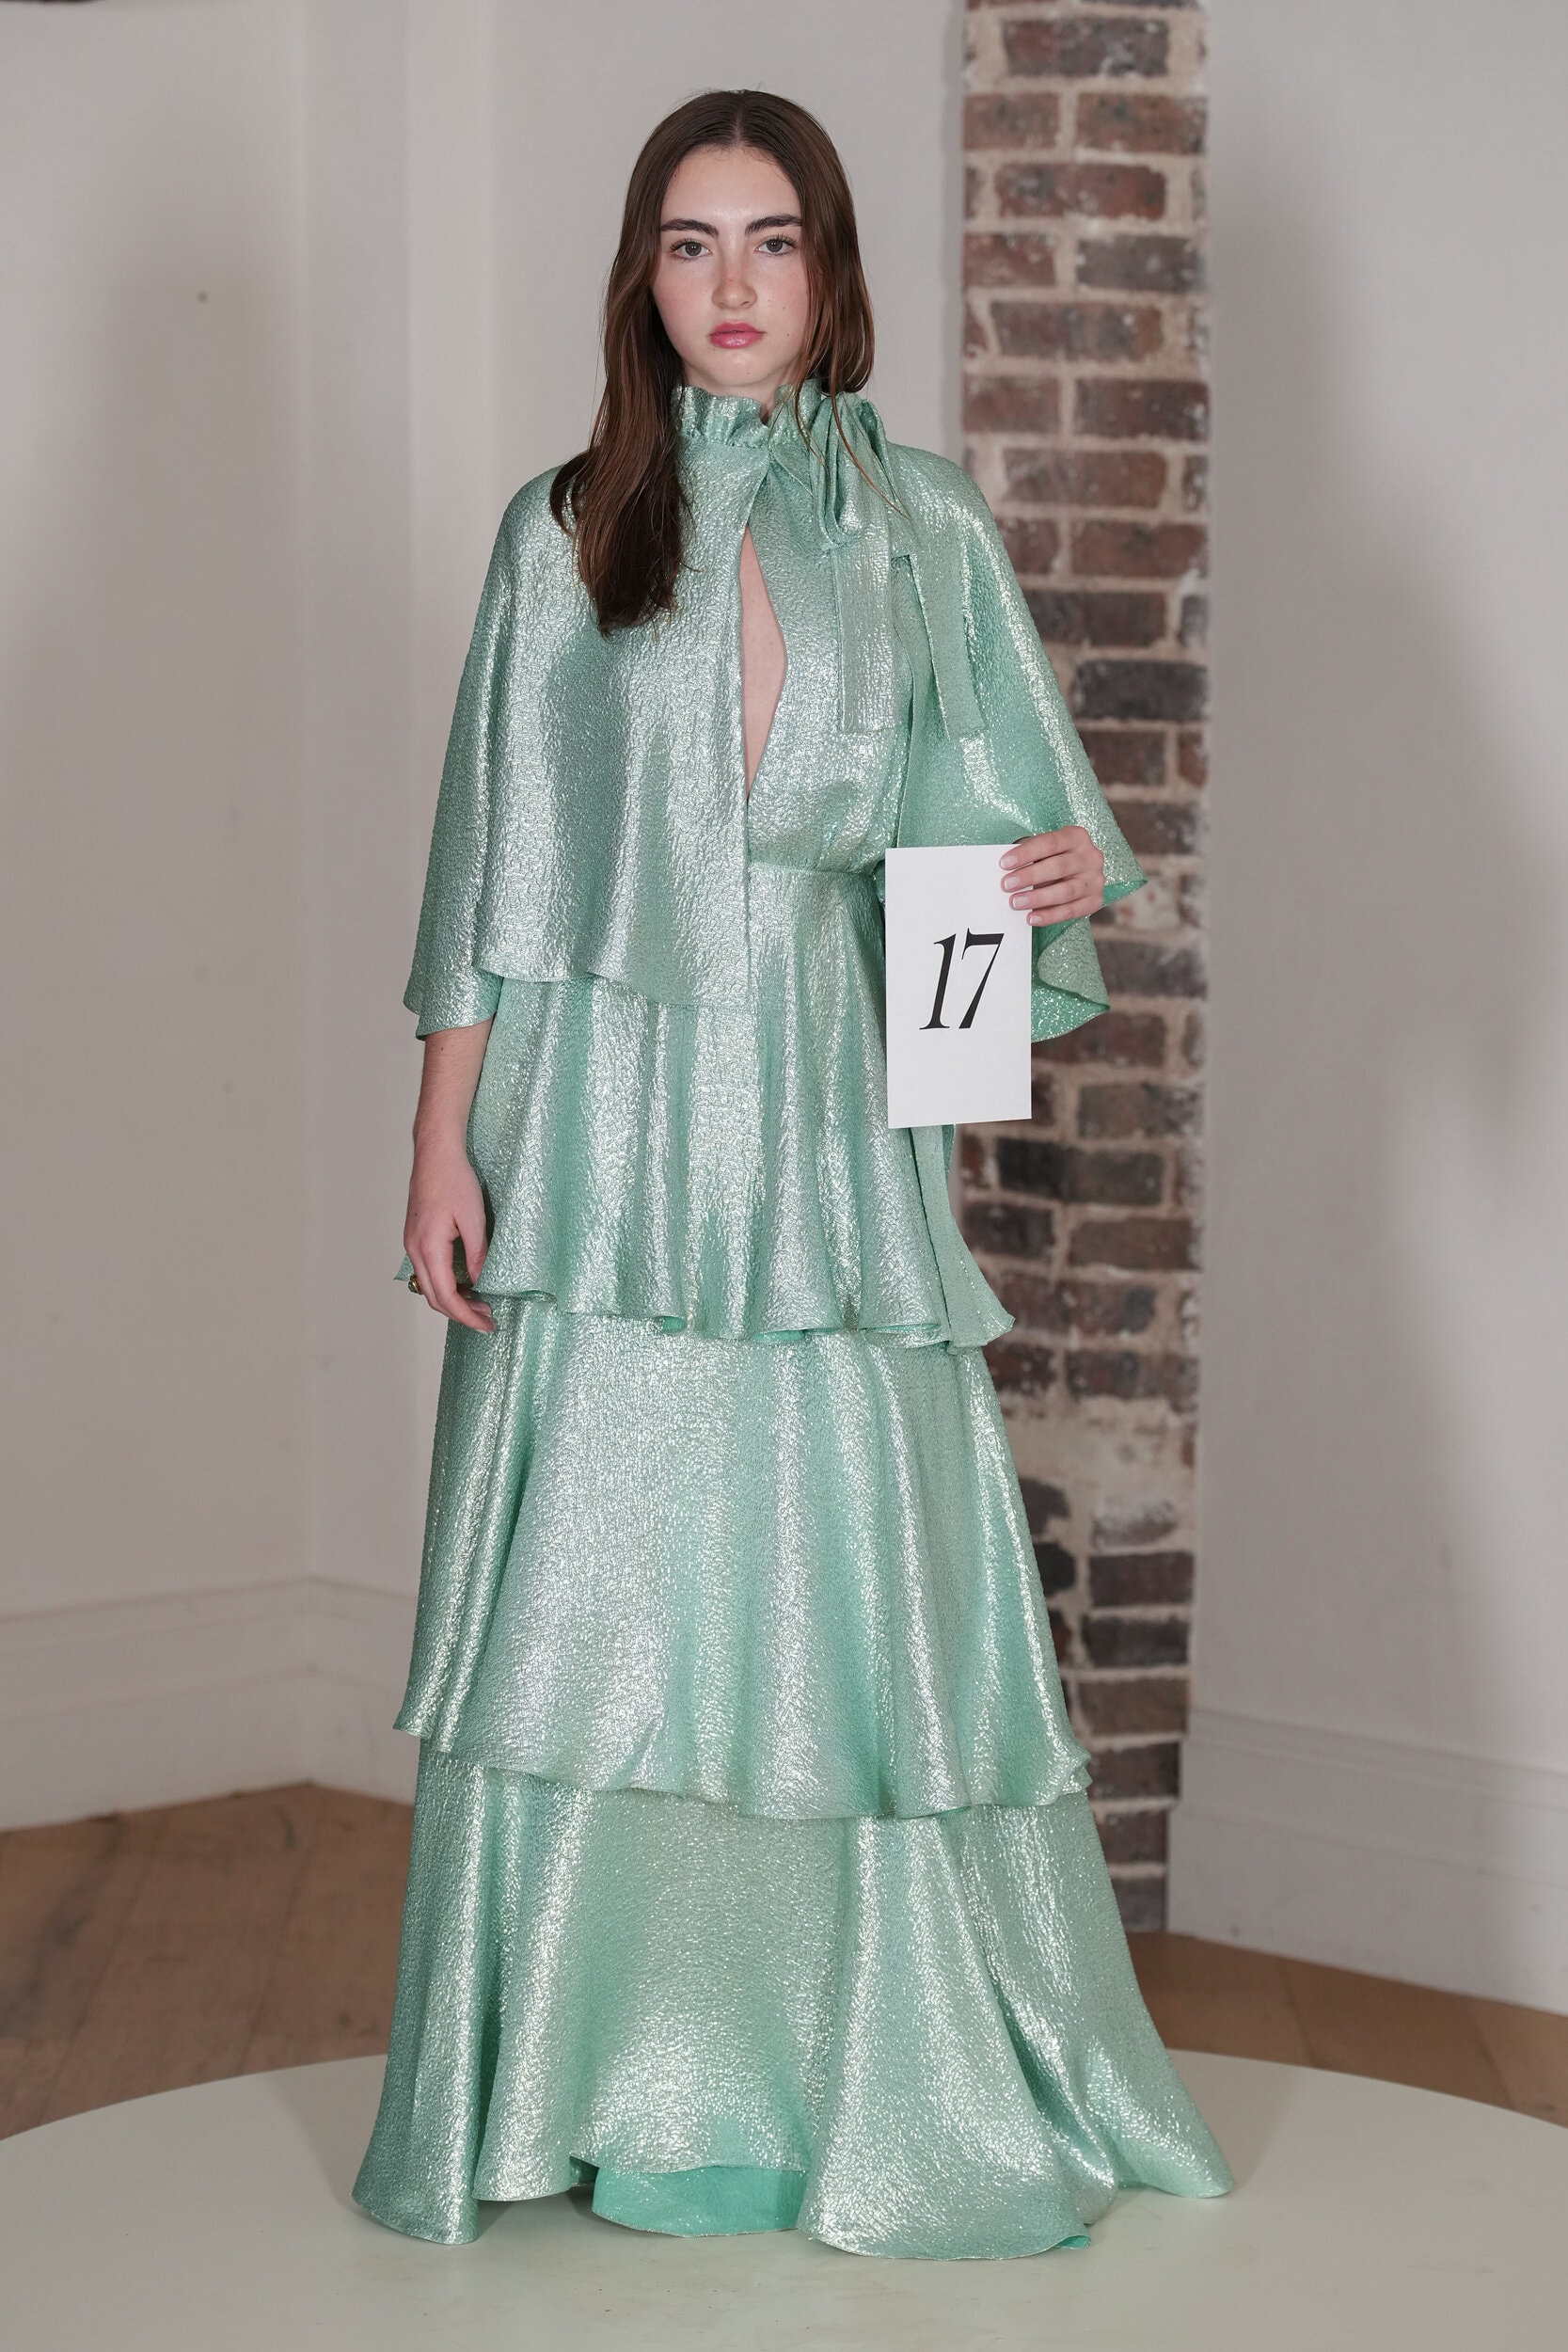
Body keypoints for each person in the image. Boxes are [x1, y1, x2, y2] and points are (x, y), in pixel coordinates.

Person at [353, 87, 1231, 2260]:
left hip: (830, 1107)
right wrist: (443, 1131)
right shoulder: (563, 528)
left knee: (835, 1575)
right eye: (689, 244)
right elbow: (490, 856)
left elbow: (1017, 820)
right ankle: (584, 2065)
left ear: (830, 271)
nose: (730, 285)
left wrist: (1052, 870)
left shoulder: (922, 523)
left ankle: (851, 2061)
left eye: (769, 241)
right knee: (596, 1590)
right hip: (598, 1117)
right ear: (641, 281)